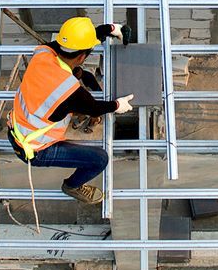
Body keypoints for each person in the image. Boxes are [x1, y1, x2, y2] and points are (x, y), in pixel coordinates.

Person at [8, 17, 134, 204]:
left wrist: (111, 29)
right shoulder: (69, 91)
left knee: (79, 73)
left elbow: (78, 45)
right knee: (100, 159)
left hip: (17, 128)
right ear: (82, 56)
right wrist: (118, 105)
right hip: (35, 149)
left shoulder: (43, 52)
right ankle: (72, 186)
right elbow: (96, 108)